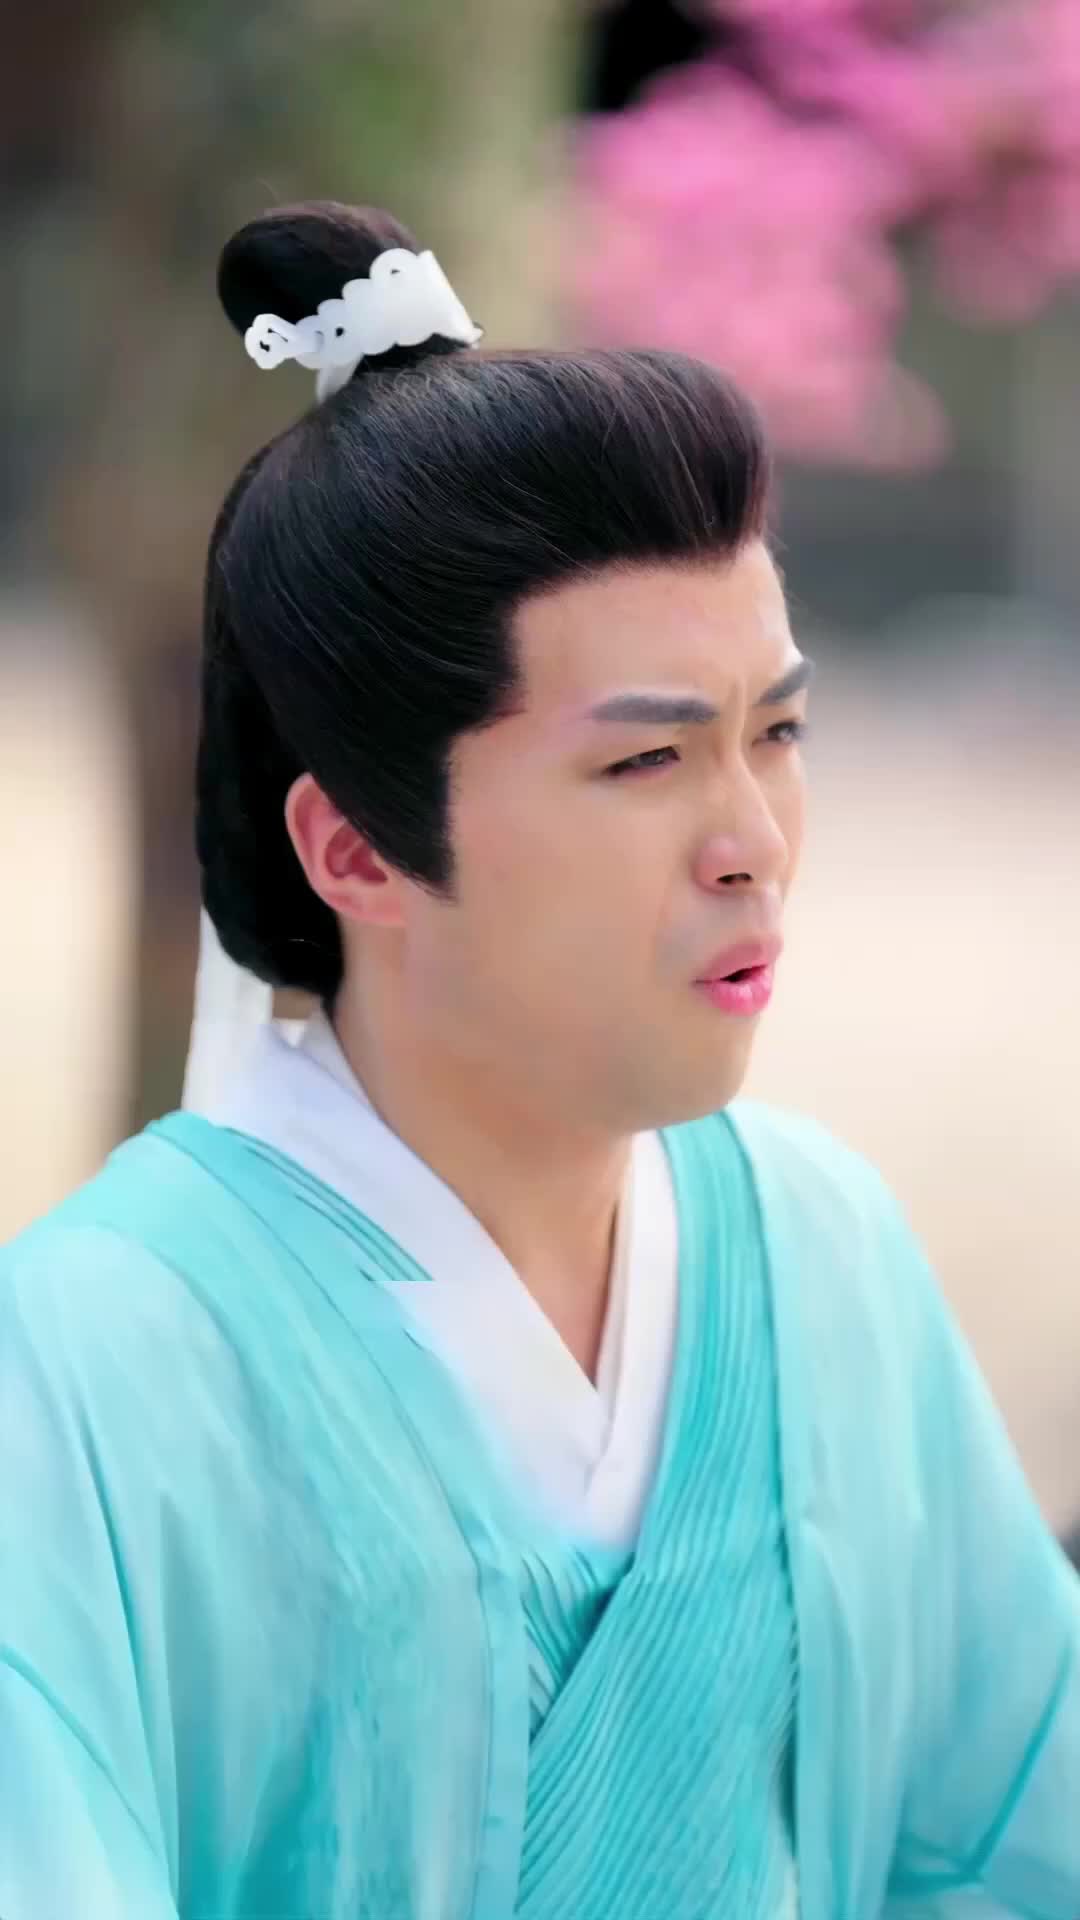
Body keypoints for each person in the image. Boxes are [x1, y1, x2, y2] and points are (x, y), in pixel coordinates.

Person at [1, 199, 1077, 1920]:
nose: (752, 844)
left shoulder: (825, 1255)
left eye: (779, 734)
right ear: (355, 849)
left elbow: (1017, 1837)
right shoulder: (80, 1366)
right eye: (647, 764)